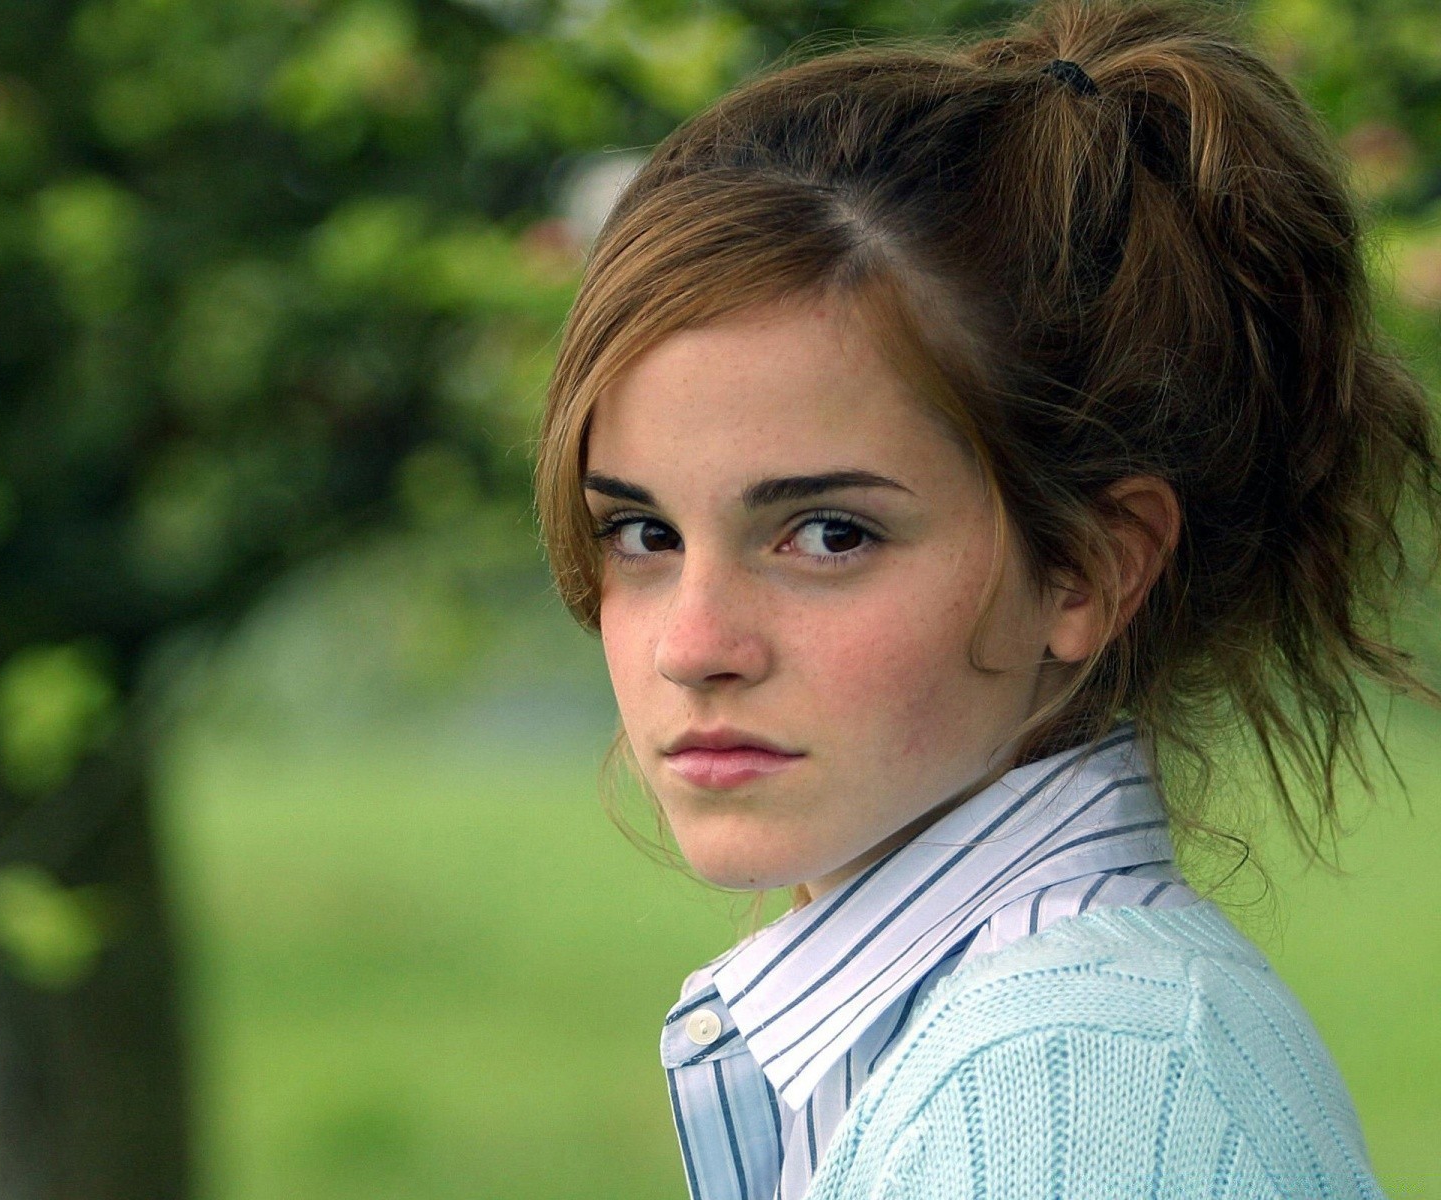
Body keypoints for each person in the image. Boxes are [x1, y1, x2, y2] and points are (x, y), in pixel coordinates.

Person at [532, 1, 1441, 1196]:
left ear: (1090, 570)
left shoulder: (1062, 1097)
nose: (692, 647)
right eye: (642, 533)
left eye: (827, 533)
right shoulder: (1014, 1043)